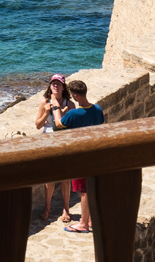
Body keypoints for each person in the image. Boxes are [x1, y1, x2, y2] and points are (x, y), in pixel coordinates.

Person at [53, 78, 104, 235]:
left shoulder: (74, 114)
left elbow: (58, 124)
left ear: (75, 96)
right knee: (92, 188)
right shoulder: (97, 109)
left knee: (84, 192)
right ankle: (91, 220)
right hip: (95, 154)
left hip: (80, 157)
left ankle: (83, 224)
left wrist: (56, 107)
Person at [35, 75, 73, 225]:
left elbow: (71, 126)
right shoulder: (44, 102)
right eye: (53, 83)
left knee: (65, 177)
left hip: (63, 142)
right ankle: (47, 208)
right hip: (48, 142)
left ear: (63, 87)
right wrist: (46, 113)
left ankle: (66, 209)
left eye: (59, 84)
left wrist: (63, 113)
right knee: (49, 177)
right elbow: (38, 125)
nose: (56, 86)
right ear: (50, 86)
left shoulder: (70, 104)